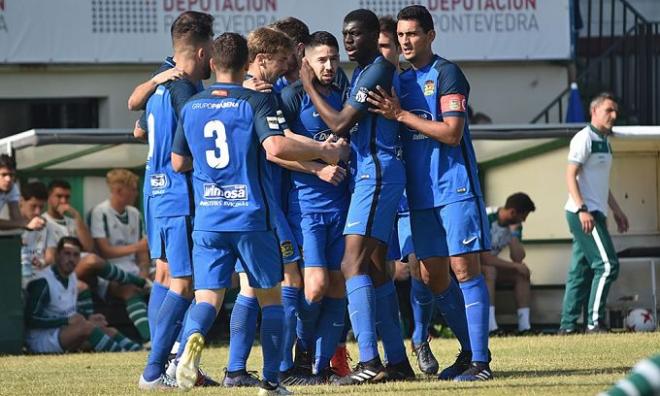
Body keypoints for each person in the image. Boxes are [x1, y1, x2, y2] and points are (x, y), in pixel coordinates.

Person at [171, 31, 344, 395]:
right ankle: (271, 381)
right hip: (250, 216)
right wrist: (324, 151)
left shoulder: (191, 106)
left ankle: (185, 353)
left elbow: (179, 162)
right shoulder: (255, 102)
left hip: (208, 220)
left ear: (213, 63)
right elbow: (276, 146)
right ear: (247, 61)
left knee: (207, 299)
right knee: (271, 297)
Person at [367, 5, 492, 381]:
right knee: (431, 276)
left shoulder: (447, 73)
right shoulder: (396, 82)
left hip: (454, 188)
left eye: (413, 34)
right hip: (418, 198)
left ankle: (481, 363)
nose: (406, 41)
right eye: (401, 35)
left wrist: (401, 115)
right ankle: (468, 350)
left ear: (430, 36)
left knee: (464, 269)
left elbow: (452, 132)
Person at [300, 9, 412, 385]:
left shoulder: (378, 69)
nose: (348, 42)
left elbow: (340, 122)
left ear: (371, 36)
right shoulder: (361, 74)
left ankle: (369, 361)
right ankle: (397, 361)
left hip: (376, 174)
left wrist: (309, 85)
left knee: (351, 264)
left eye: (355, 35)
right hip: (371, 173)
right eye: (345, 35)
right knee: (377, 267)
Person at [136, 11, 217, 390]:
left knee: (165, 278)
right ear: (202, 51)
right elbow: (183, 155)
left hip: (155, 193)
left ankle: (166, 362)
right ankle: (160, 368)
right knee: (185, 285)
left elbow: (138, 129)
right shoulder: (186, 92)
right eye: (213, 46)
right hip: (179, 194)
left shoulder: (159, 87)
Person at [278, 31, 350, 384]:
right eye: (322, 59)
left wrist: (343, 150)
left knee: (338, 286)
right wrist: (319, 165)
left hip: (342, 206)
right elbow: (277, 149)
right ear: (304, 58)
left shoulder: (343, 94)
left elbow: (354, 144)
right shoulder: (290, 97)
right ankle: (301, 358)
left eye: (334, 59)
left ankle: (321, 369)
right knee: (316, 284)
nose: (329, 65)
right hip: (306, 207)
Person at [559, 92, 629, 334]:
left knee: (580, 271)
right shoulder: (584, 137)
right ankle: (593, 323)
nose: (614, 115)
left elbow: (600, 183)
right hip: (583, 213)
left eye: (615, 110)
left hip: (596, 212)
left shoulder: (605, 140)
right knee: (607, 265)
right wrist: (582, 209)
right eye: (609, 110)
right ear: (594, 111)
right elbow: (570, 175)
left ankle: (567, 328)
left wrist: (617, 210)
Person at [43, 179, 148, 318]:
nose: (63, 201)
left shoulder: (73, 221)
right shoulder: (43, 221)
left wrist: (76, 217)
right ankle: (136, 280)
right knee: (91, 260)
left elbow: (88, 246)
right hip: (59, 272)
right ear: (49, 198)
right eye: (59, 196)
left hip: (78, 269)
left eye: (67, 197)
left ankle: (149, 337)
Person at [24, 236, 142, 354]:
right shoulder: (43, 281)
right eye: (67, 254)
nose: (71, 259)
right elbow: (31, 319)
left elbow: (67, 311)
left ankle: (140, 352)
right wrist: (66, 321)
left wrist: (88, 318)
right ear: (58, 255)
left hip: (64, 333)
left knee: (108, 330)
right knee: (87, 328)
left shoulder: (72, 277)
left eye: (76, 255)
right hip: (42, 339)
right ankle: (121, 355)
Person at [89, 169, 151, 342]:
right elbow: (104, 251)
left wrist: (144, 272)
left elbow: (143, 253)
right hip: (110, 272)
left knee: (167, 281)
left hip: (135, 268)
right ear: (118, 191)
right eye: (133, 188)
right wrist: (136, 247)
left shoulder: (135, 214)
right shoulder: (100, 212)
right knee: (130, 290)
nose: (136, 193)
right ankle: (149, 339)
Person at [482, 192, 536, 335]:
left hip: (490, 266)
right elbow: (484, 258)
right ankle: (490, 327)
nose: (523, 220)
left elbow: (518, 257)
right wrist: (516, 265)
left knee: (521, 273)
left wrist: (513, 235)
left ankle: (525, 328)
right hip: (470, 268)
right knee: (490, 270)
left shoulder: (514, 226)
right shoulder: (486, 217)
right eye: (523, 216)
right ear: (512, 212)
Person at [19, 182, 54, 287]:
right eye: (33, 206)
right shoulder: (10, 224)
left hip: (41, 275)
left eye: (41, 207)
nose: (37, 212)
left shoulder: (46, 225)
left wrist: (42, 262)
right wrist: (28, 229)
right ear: (21, 201)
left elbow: (51, 255)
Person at [0, 154, 44, 231]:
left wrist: (33, 223)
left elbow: (16, 219)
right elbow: (19, 223)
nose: (8, 179)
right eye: (3, 175)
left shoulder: (13, 188)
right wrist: (25, 224)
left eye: (11, 175)